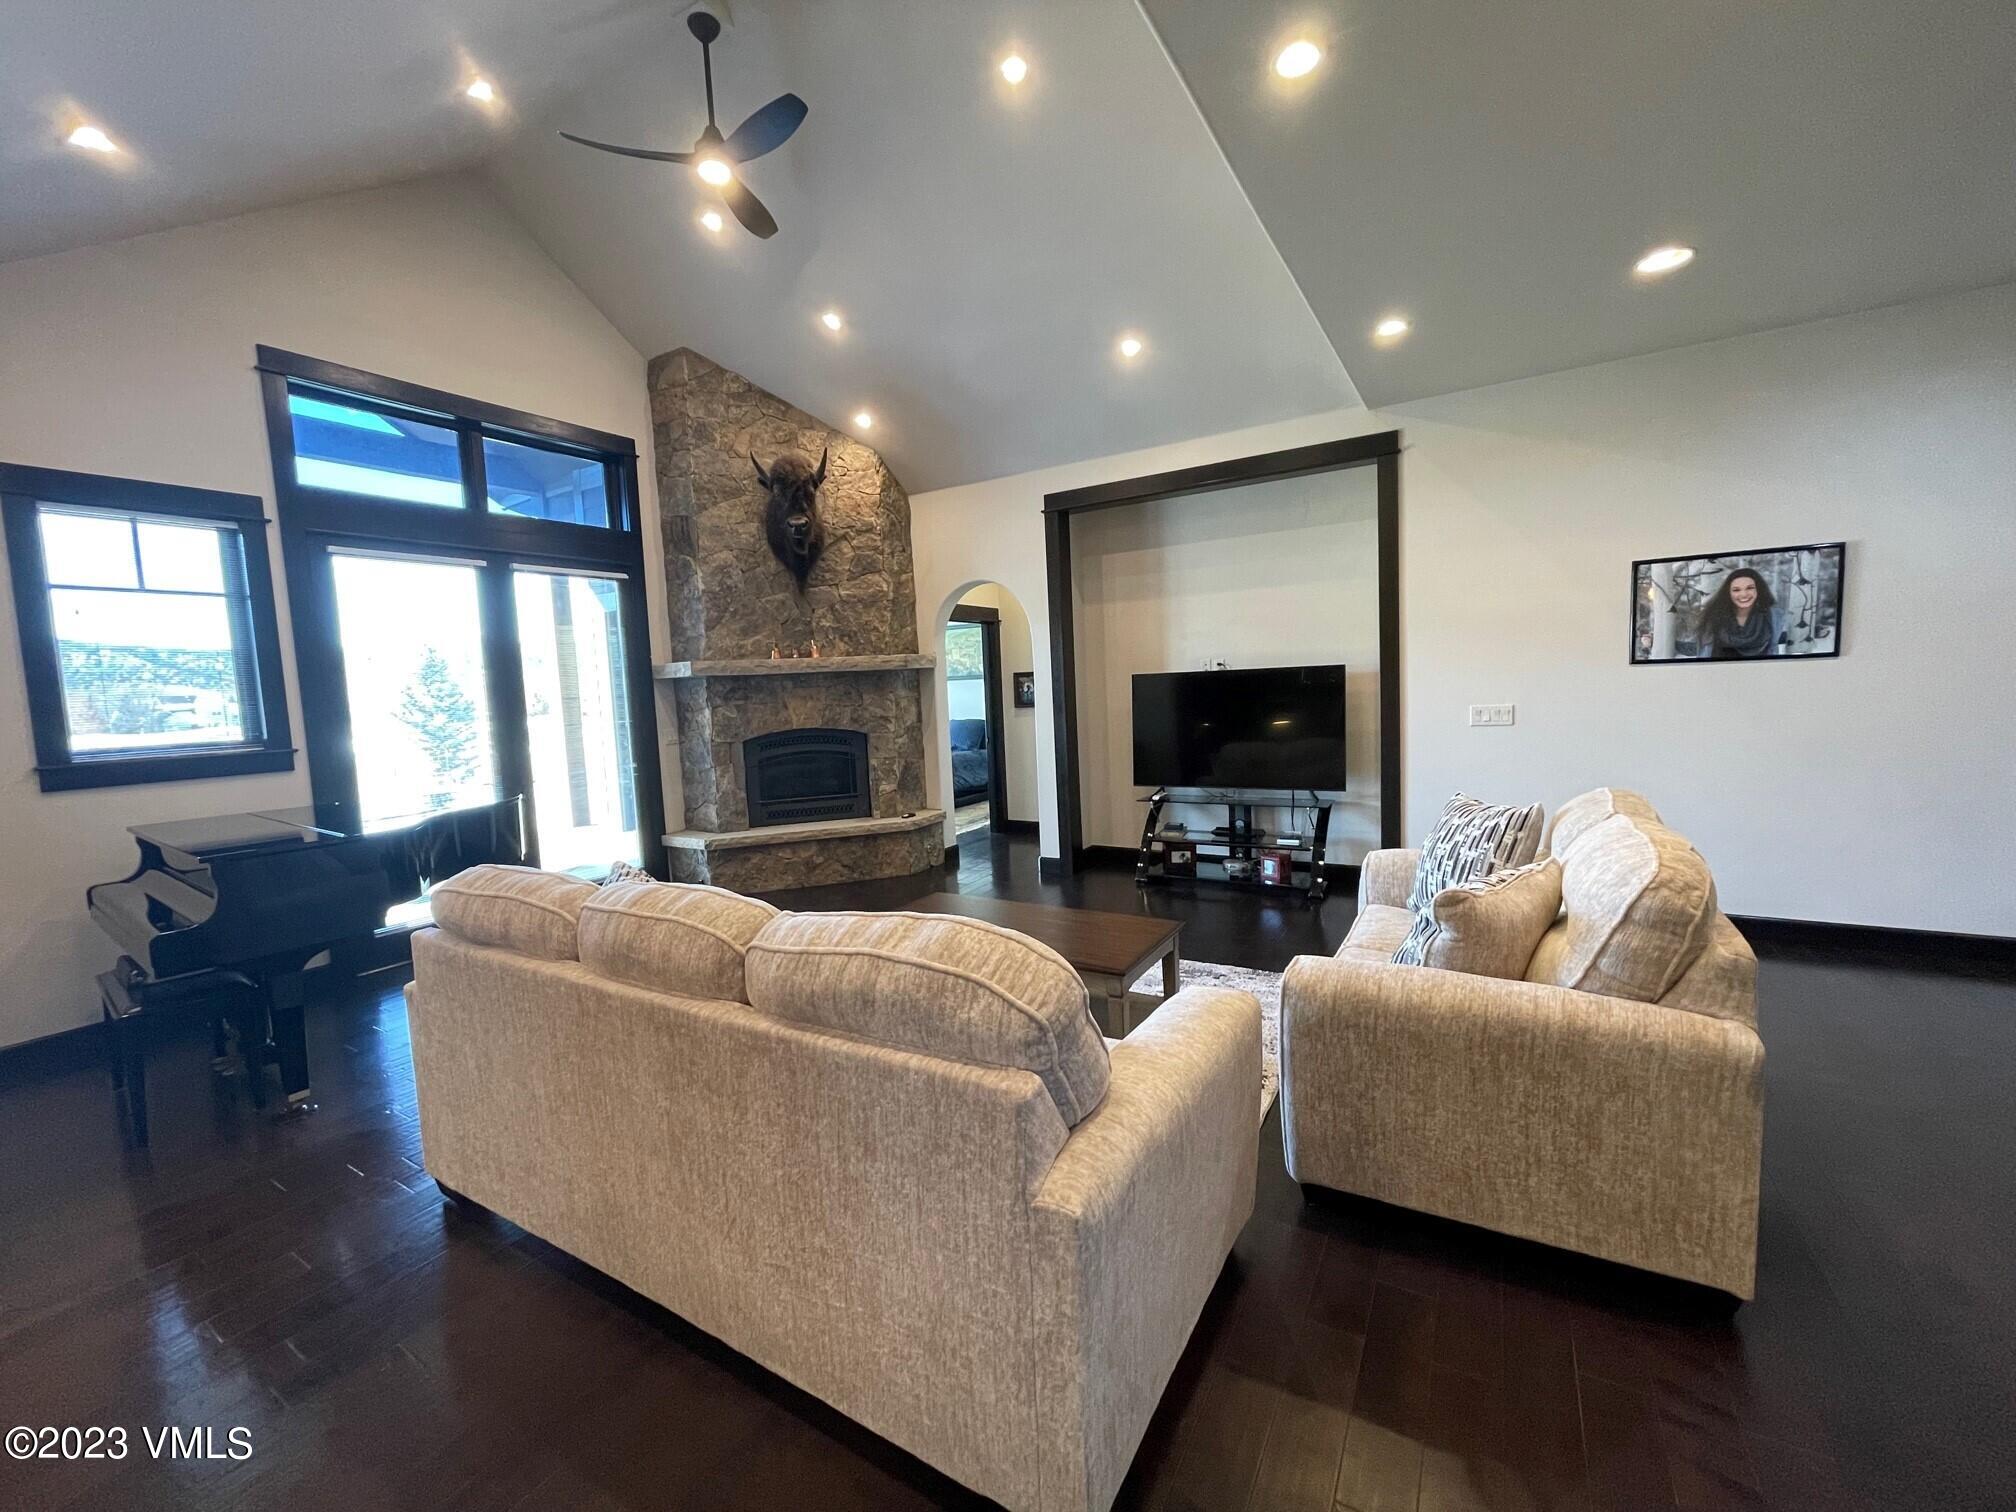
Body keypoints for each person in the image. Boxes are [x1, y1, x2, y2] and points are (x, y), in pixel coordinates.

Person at [1692, 568, 1785, 658]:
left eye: (1750, 588)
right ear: (1728, 593)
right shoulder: (1713, 617)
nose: (1743, 594)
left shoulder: (1774, 616)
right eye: (1736, 590)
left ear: (1758, 589)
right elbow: (1704, 654)